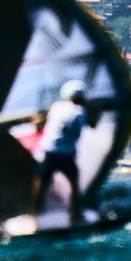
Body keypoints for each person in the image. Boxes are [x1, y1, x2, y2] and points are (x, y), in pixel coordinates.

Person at [35, 80, 89, 224]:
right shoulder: (81, 111)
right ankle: (75, 214)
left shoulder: (56, 107)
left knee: (42, 183)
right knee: (74, 182)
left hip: (49, 152)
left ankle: (36, 214)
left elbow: (44, 119)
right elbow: (93, 122)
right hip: (65, 155)